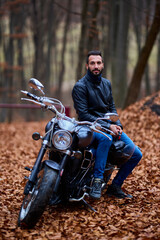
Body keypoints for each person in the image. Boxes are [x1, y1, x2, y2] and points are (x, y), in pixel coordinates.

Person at [72, 50, 142, 199]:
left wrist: (118, 125)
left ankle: (115, 186)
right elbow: (83, 114)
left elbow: (112, 108)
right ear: (87, 66)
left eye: (98, 63)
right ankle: (97, 181)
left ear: (102, 65)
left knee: (136, 154)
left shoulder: (106, 84)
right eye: (92, 63)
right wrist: (108, 126)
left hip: (108, 126)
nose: (96, 66)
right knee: (106, 139)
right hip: (90, 126)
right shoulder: (80, 86)